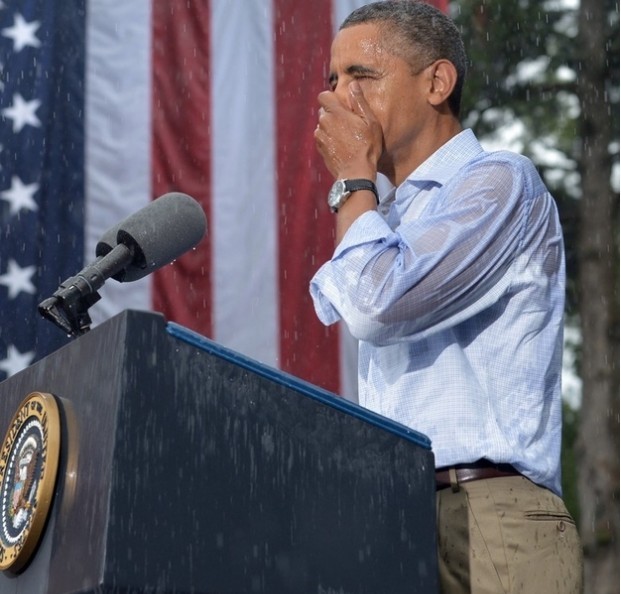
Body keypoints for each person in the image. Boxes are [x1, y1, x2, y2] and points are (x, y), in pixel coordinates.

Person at [309, 1, 583, 593]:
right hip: (394, 519)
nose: (339, 98)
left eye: (363, 75)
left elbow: (375, 305)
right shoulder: (382, 218)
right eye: (333, 80)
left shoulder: (503, 182)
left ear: (437, 82)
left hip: (492, 512)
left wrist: (352, 181)